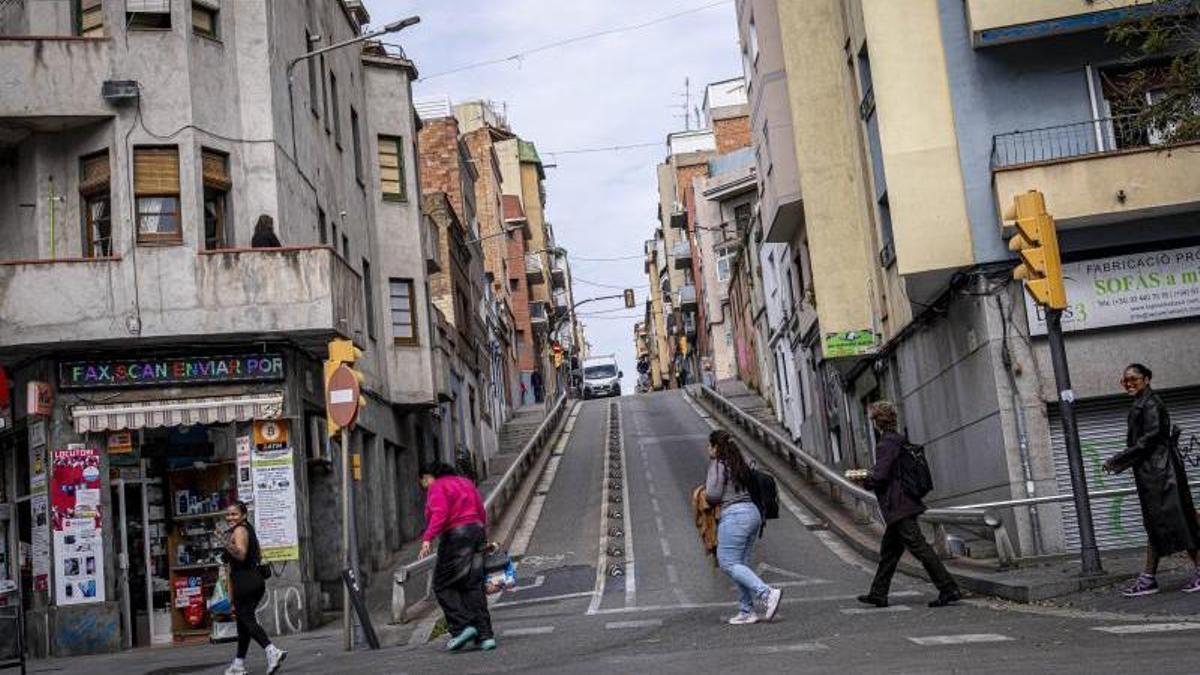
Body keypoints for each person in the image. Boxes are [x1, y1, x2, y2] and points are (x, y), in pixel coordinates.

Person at [1104, 364, 1200, 596]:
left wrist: (1117, 460)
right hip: (1155, 474)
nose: (1128, 383)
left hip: (1162, 475)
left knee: (1180, 524)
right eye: (1124, 380)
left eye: (1134, 379)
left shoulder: (1151, 404)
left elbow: (1148, 440)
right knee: (1157, 526)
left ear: (1146, 379)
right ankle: (1148, 578)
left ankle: (1154, 577)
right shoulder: (1143, 403)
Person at [856, 401, 961, 609]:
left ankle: (948, 588)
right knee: (889, 552)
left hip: (899, 506)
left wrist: (866, 479)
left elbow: (881, 475)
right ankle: (878, 593)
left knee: (920, 548)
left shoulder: (886, 444)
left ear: (877, 422)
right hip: (903, 503)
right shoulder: (899, 440)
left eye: (873, 420)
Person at [704, 430, 782, 625]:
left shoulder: (719, 464)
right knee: (741, 564)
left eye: (710, 445)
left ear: (716, 447)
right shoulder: (743, 461)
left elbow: (712, 495)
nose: (708, 449)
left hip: (734, 516)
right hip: (753, 514)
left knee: (727, 563)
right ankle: (746, 611)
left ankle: (767, 593)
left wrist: (704, 491)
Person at [417, 462, 496, 651]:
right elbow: (481, 510)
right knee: (473, 584)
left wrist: (427, 538)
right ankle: (485, 635)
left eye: (423, 482)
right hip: (476, 531)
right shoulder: (466, 482)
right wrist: (482, 536)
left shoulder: (437, 486)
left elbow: (440, 513)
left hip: (456, 535)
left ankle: (462, 627)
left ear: (428, 477)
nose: (424, 486)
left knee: (442, 584)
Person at [222, 501, 287, 675]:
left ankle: (272, 651)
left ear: (243, 515)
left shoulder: (240, 530)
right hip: (250, 582)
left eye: (234, 514)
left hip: (246, 583)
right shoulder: (243, 529)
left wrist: (225, 541)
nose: (230, 517)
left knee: (246, 620)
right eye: (228, 514)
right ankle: (238, 664)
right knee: (243, 624)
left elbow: (241, 555)